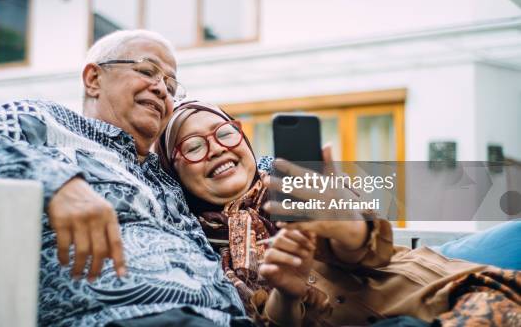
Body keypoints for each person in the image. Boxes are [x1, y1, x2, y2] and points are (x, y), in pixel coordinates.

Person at [0, 30, 252, 327]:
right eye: (148, 71)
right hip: (127, 316)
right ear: (93, 79)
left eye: (171, 85)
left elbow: (246, 173)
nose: (162, 89)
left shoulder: (165, 175)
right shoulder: (44, 123)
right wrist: (60, 180)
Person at [156, 100, 521, 327]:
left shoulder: (300, 186)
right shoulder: (197, 254)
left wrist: (345, 225)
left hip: (440, 296)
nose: (216, 149)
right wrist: (288, 293)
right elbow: (272, 321)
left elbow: (374, 247)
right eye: (192, 146)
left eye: (224, 133)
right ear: (175, 174)